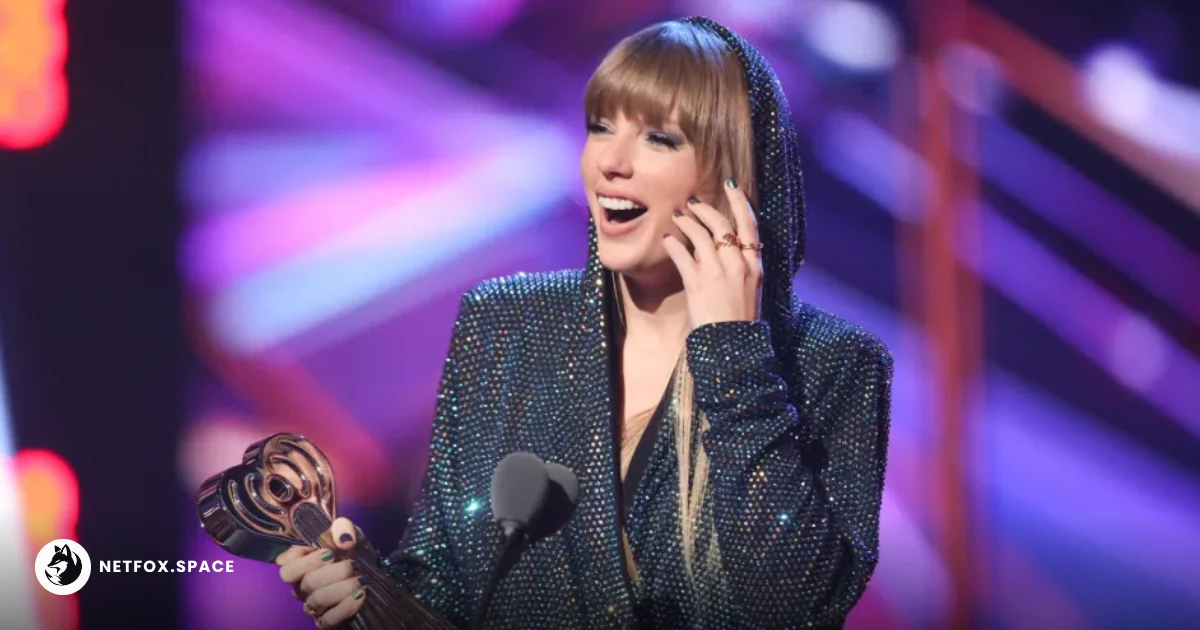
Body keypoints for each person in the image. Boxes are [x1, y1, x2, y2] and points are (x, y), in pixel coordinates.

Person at [276, 15, 893, 629]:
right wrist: (367, 592)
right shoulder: (504, 322)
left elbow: (793, 601)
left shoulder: (838, 364)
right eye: (601, 128)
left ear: (736, 178)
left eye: (659, 139)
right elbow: (443, 575)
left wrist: (733, 350)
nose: (611, 163)